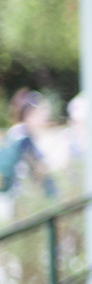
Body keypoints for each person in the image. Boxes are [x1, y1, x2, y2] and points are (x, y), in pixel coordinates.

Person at [0, 89, 57, 218]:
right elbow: (7, 169)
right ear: (29, 114)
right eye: (41, 112)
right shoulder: (21, 138)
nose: (45, 116)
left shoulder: (23, 136)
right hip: (16, 200)